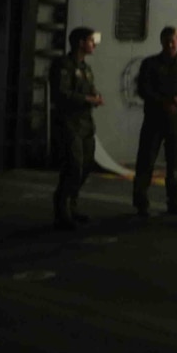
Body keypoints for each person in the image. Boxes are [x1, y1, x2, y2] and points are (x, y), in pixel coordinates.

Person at [132, 25, 177, 217]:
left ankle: (174, 201)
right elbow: (144, 89)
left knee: (175, 162)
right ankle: (141, 202)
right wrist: (165, 103)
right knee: (146, 160)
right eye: (167, 41)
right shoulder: (150, 64)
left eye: (173, 40)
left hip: (175, 118)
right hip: (154, 117)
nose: (170, 44)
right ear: (161, 42)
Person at [51, 26, 104, 230]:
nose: (94, 44)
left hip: (85, 123)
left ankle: (73, 207)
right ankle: (62, 212)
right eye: (91, 40)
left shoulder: (86, 68)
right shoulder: (63, 65)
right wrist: (88, 98)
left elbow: (90, 89)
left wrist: (96, 97)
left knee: (86, 165)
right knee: (73, 166)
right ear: (81, 43)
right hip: (69, 123)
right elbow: (61, 94)